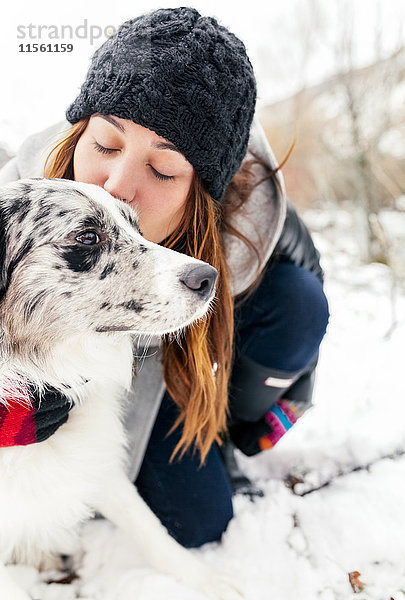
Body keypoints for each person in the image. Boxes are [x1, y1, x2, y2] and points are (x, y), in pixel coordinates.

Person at [0, 7, 329, 549]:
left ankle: (223, 425)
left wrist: (273, 413)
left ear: (201, 191)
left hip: (179, 365)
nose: (116, 184)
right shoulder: (23, 200)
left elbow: (302, 339)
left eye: (163, 169)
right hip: (78, 374)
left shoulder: (253, 227)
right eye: (106, 144)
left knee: (298, 302)